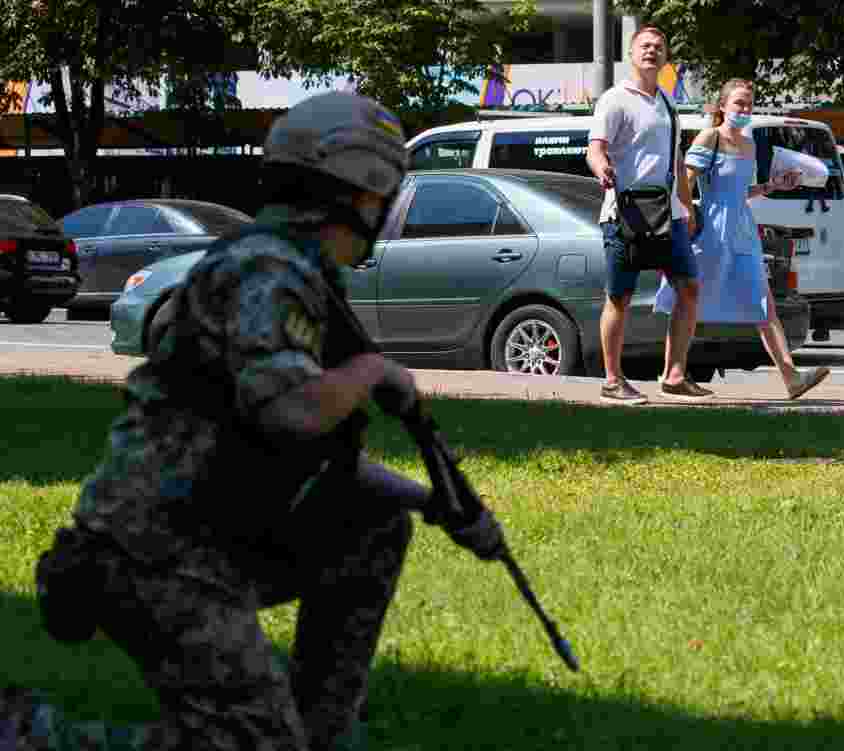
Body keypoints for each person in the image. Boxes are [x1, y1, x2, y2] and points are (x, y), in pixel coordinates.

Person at [36, 91, 501, 751]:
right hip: (153, 552)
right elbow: (287, 410)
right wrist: (371, 374)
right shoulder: (265, 272)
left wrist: (437, 504)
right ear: (358, 190)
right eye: (381, 192)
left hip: (206, 536)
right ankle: (36, 736)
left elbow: (322, 461)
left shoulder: (298, 273)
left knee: (373, 525)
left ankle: (320, 731)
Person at [677, 78, 830, 399]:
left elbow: (742, 193)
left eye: (748, 104)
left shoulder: (749, 146)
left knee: (765, 305)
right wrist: (687, 217)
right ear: (722, 106)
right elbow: (685, 182)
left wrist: (773, 186)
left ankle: (791, 378)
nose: (744, 109)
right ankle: (673, 373)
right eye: (738, 104)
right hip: (711, 232)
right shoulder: (709, 138)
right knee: (687, 303)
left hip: (744, 231)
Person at [586, 25, 710, 405]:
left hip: (667, 214)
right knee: (619, 297)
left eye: (658, 46)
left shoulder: (668, 103)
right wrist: (602, 169)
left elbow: (676, 161)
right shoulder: (614, 99)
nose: (652, 51)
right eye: (645, 46)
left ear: (665, 56)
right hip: (625, 212)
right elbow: (594, 149)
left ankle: (674, 375)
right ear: (631, 53)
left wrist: (686, 207)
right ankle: (612, 380)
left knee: (688, 288)